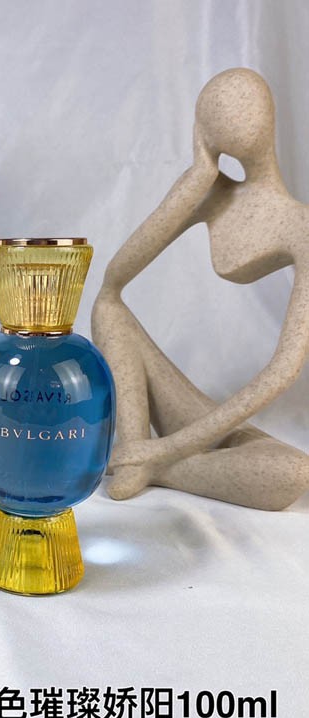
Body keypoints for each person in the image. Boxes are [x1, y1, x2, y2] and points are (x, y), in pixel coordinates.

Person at [91, 68, 309, 510]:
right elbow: (113, 280)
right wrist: (198, 175)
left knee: (291, 472)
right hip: (184, 413)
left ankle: (149, 465)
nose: (234, 124)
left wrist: (166, 449)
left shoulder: (300, 225)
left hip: (212, 426)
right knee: (106, 308)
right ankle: (135, 448)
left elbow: (284, 370)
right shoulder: (208, 192)